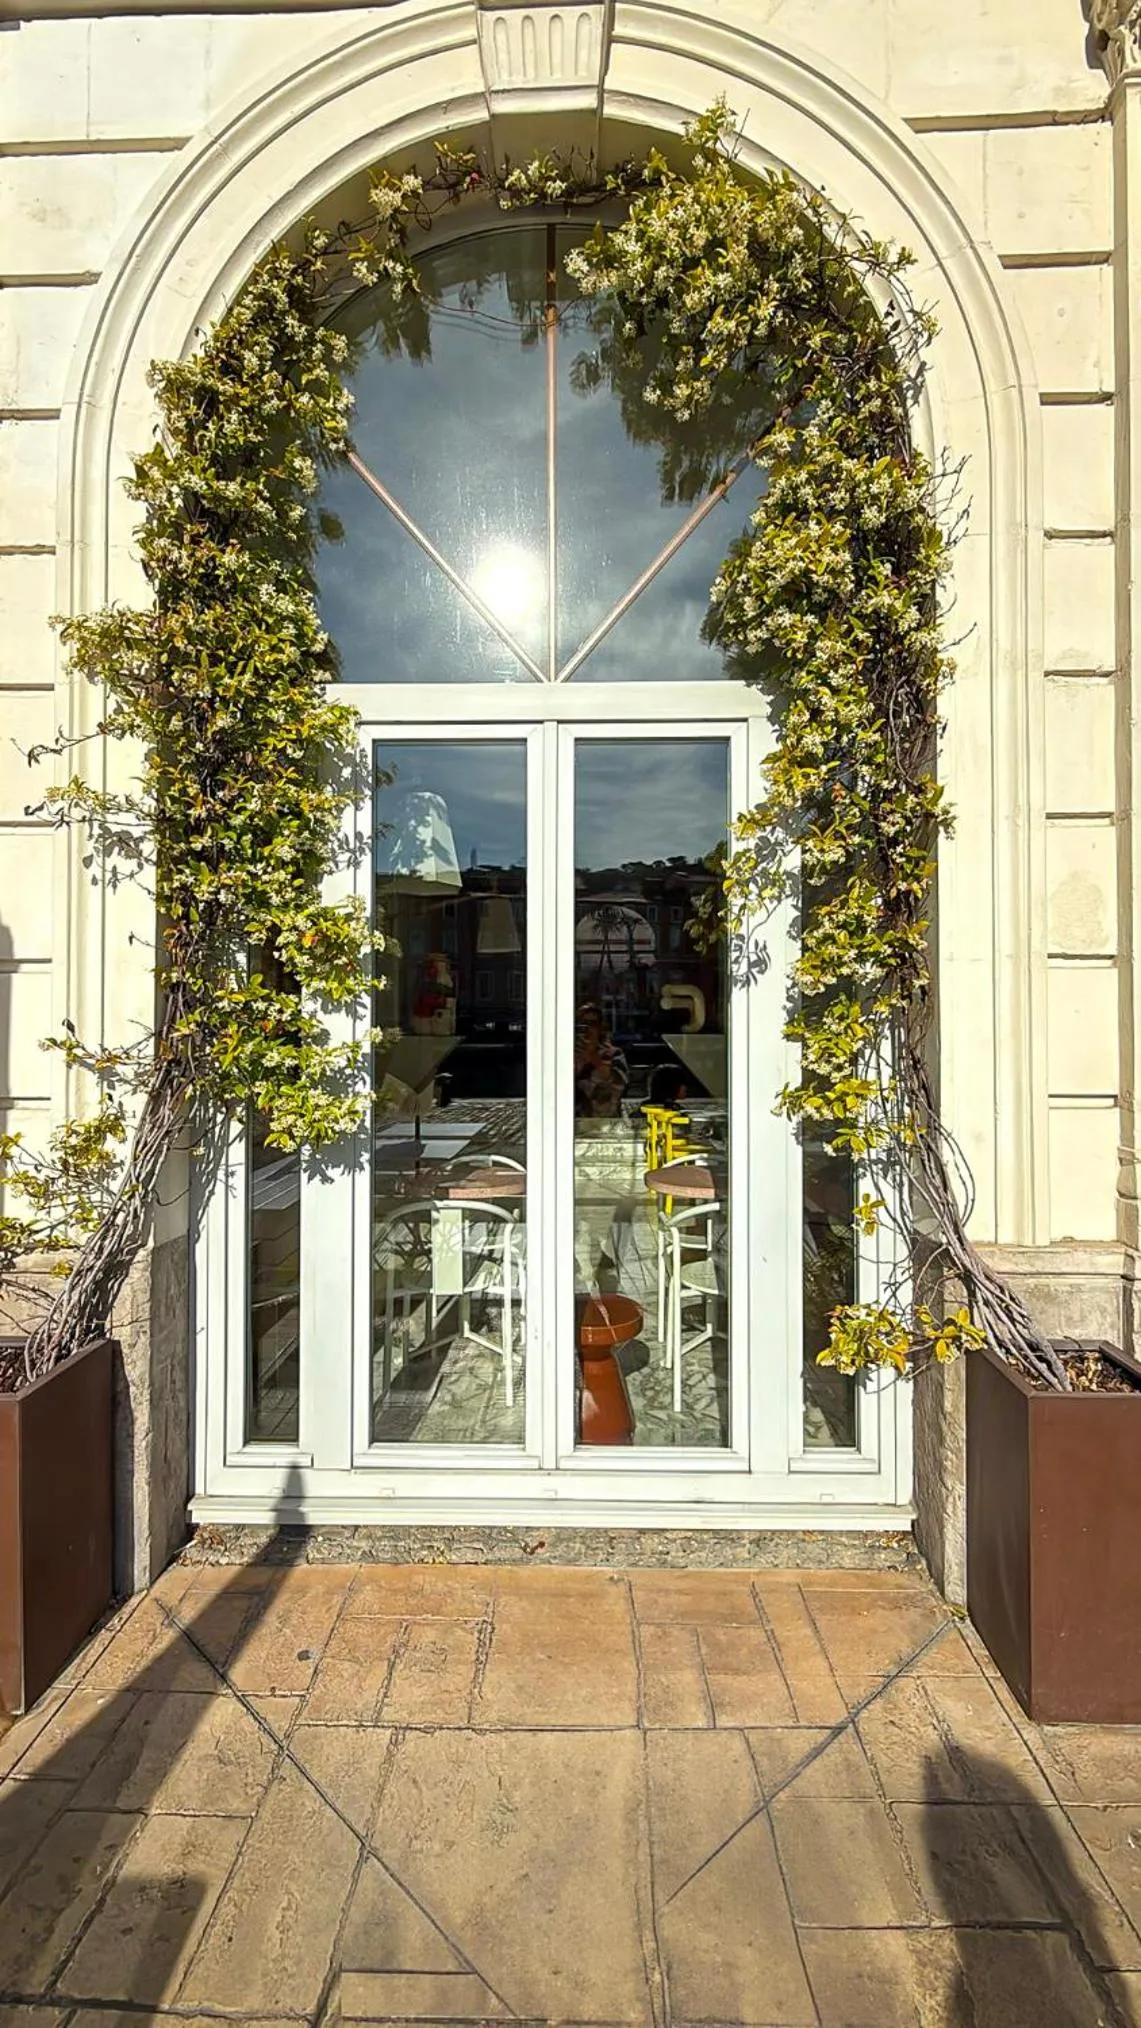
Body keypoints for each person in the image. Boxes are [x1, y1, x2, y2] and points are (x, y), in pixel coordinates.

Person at [573, 1001, 630, 1118]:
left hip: (604, 1123)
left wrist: (595, 1059)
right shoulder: (563, 1055)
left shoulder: (614, 1054)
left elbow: (617, 1089)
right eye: (583, 1024)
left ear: (600, 1028)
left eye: (592, 1024)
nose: (588, 1029)